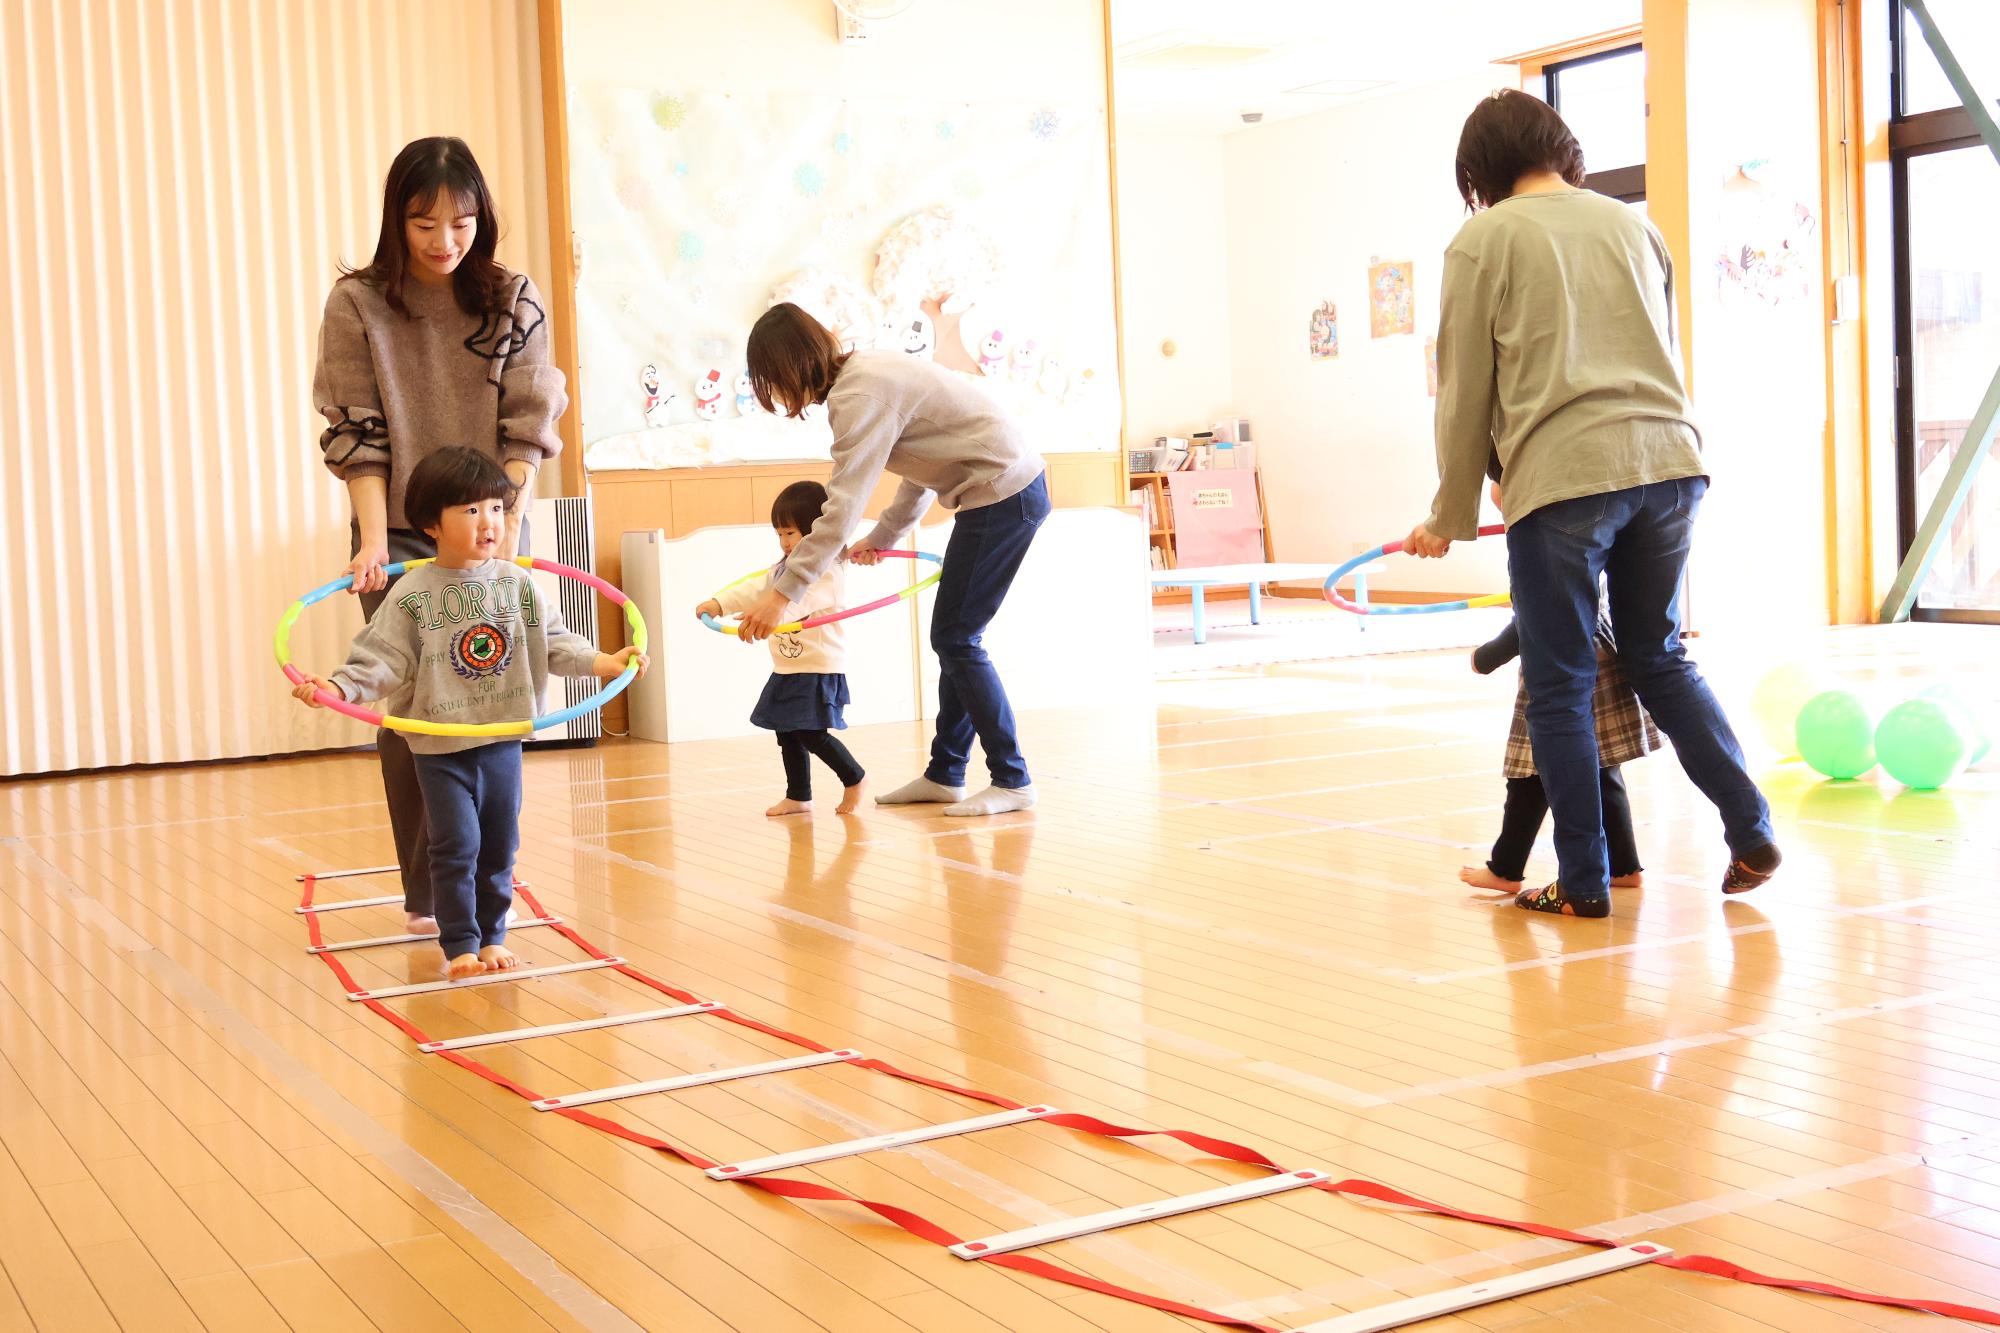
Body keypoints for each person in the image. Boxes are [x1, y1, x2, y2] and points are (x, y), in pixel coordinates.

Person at [1407, 89, 1780, 918]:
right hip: (1673, 462)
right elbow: (1665, 352)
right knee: (1660, 658)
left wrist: (1448, 513)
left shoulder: (1481, 240)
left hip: (1568, 480)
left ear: (1479, 171)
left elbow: (1464, 389)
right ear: (1561, 149)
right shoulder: (1634, 225)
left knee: (1561, 685)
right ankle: (1751, 828)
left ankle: (1583, 883)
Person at [313, 136, 567, 934]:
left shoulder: (512, 297)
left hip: (488, 518)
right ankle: (429, 892)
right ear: (397, 219)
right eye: (425, 223)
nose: (444, 241)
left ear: (480, 219)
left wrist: (504, 525)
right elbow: (357, 430)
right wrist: (371, 539)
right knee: (417, 707)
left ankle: (489, 877)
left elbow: (527, 423)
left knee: (492, 691)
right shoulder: (358, 303)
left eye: (460, 223)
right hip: (399, 525)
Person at [292, 449, 645, 978]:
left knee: (500, 843)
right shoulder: (411, 593)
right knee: (456, 844)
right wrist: (338, 686)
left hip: (502, 736)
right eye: (471, 511)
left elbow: (553, 642)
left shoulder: (517, 584)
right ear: (432, 526)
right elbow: (381, 659)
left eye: (496, 509)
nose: (490, 523)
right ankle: (459, 942)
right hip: (439, 745)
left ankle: (494, 935)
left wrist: (603, 661)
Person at [739, 303, 1048, 819]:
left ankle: (1012, 779)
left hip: (1003, 495)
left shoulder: (858, 396)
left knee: (956, 639)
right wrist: (885, 537)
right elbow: (922, 470)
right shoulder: (868, 376)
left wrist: (781, 595)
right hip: (996, 494)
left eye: (772, 380)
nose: (776, 393)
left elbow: (840, 510)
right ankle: (946, 774)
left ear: (790, 367)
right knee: (954, 637)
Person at [698, 481, 868, 817]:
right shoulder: (783, 568)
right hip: (789, 666)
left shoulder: (828, 570)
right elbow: (756, 589)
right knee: (786, 730)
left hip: (818, 665)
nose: (784, 542)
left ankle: (854, 778)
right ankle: (798, 795)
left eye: (790, 533)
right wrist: (720, 603)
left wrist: (765, 617)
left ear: (816, 530)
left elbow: (795, 605)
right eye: (779, 535)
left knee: (810, 731)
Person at [1461, 612, 1657, 895]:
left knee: (1529, 776)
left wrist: (1485, 657)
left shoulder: (1540, 570)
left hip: (1557, 672)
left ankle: (1505, 868)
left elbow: (1535, 609)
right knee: (1603, 771)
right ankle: (1623, 866)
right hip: (1596, 657)